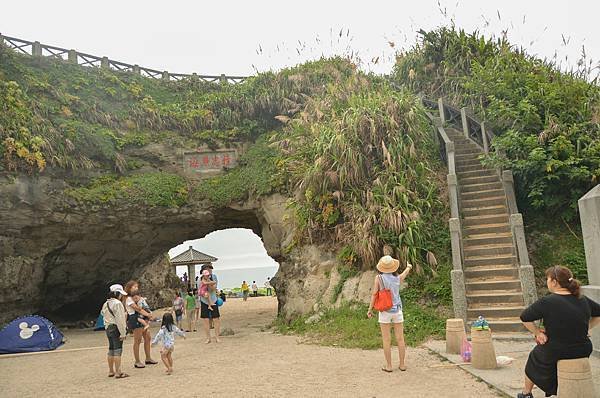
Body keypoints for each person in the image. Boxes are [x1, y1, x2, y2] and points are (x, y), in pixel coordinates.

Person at [517, 265, 600, 398]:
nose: (547, 282)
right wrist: (586, 328)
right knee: (548, 357)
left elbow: (524, 317)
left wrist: (538, 332)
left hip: (557, 348)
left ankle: (526, 393)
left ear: (554, 282)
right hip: (583, 348)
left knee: (535, 357)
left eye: (548, 279)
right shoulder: (582, 299)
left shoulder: (547, 301)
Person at [367, 255, 413, 373]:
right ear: (393, 267)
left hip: (384, 311)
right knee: (400, 339)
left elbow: (374, 294)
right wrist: (408, 267)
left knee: (386, 340)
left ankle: (389, 366)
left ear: (382, 267)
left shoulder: (379, 278)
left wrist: (370, 309)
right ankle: (402, 365)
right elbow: (405, 273)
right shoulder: (397, 278)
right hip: (397, 310)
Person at [124, 280, 157, 369]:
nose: (136, 288)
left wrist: (148, 314)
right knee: (137, 340)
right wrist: (148, 315)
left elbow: (145, 307)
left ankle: (148, 358)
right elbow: (137, 309)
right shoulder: (129, 299)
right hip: (135, 318)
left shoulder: (139, 297)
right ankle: (137, 361)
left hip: (142, 317)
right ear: (129, 288)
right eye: (134, 287)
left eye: (137, 287)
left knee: (147, 337)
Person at [101, 284, 129, 379]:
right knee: (118, 350)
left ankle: (111, 371)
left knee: (111, 349)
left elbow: (103, 315)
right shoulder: (117, 303)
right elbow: (120, 319)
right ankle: (118, 372)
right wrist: (123, 333)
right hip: (116, 328)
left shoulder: (106, 303)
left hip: (108, 328)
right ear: (117, 293)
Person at [200, 264, 221, 343]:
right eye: (208, 269)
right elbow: (201, 289)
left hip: (214, 299)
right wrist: (210, 283)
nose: (210, 271)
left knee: (216, 318)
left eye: (210, 269)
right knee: (206, 320)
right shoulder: (200, 279)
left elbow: (213, 288)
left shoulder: (214, 277)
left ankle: (217, 337)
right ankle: (208, 338)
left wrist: (209, 282)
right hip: (203, 300)